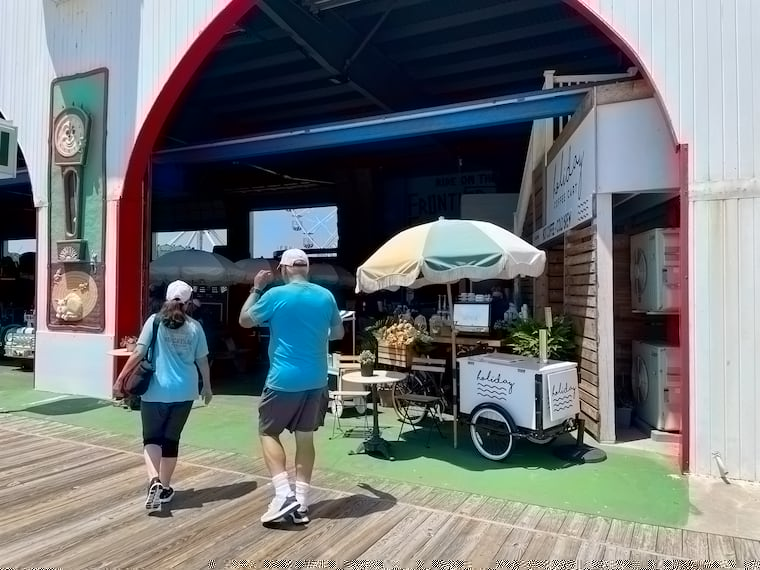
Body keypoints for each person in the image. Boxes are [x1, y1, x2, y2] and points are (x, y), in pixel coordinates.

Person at [238, 248, 344, 524]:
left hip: (283, 379)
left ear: (284, 270)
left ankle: (284, 494)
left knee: (268, 431)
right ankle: (302, 502)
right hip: (317, 379)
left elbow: (245, 320)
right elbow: (339, 332)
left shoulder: (274, 296)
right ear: (306, 269)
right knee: (305, 438)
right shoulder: (326, 296)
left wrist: (256, 289)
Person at [116, 280, 212, 512]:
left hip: (156, 391)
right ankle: (165, 487)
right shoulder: (195, 327)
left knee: (151, 438)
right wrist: (207, 387)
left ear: (167, 298)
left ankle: (154, 481)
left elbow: (138, 352)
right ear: (189, 303)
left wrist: (120, 379)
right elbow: (202, 361)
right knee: (171, 440)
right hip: (185, 392)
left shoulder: (155, 321)